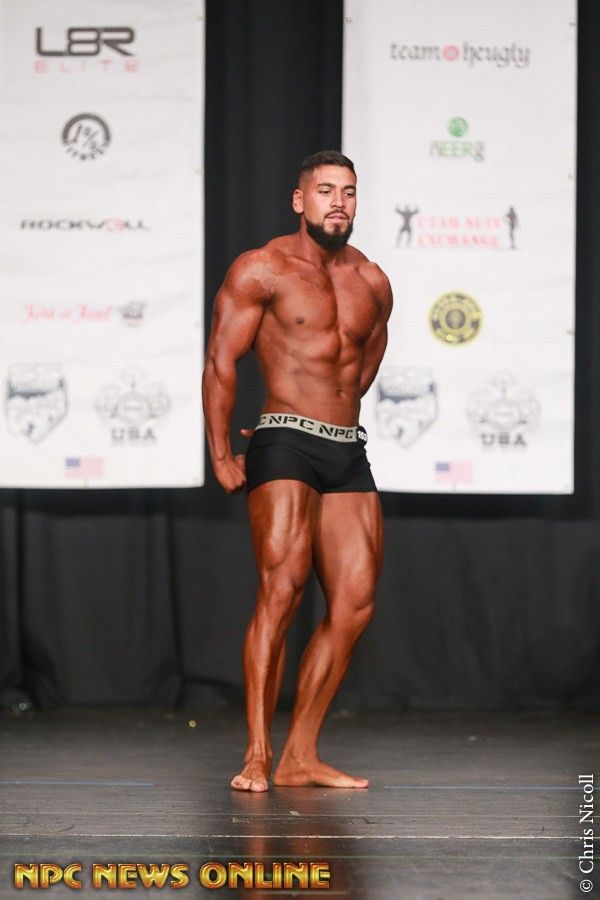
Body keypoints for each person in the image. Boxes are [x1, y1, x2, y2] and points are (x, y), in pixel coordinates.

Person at [202, 150, 393, 791]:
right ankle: (257, 754)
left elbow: (365, 361)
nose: (338, 202)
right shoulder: (262, 268)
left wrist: (333, 407)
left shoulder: (373, 281)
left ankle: (300, 755)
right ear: (299, 200)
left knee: (355, 604)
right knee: (281, 592)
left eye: (349, 192)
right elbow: (220, 362)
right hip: (285, 439)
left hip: (345, 447)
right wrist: (221, 452)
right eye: (326, 191)